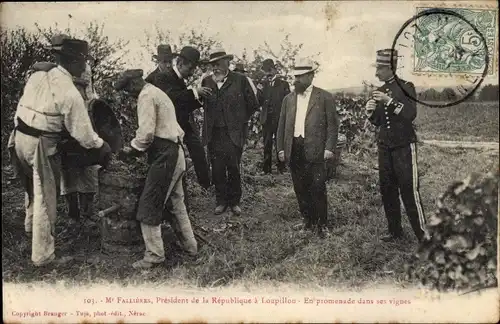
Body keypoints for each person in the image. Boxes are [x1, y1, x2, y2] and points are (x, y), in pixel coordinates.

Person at [8, 38, 111, 267]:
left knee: (31, 188)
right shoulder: (69, 92)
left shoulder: (38, 74)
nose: (85, 67)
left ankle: (29, 230)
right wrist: (102, 146)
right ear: (75, 62)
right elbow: (85, 135)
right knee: (46, 196)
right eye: (83, 62)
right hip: (41, 144)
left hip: (19, 137)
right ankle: (43, 257)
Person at [114, 69, 198, 269]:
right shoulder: (157, 92)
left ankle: (154, 255)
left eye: (128, 90)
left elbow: (146, 134)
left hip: (165, 156)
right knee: (177, 204)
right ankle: (191, 247)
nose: (129, 95)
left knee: (149, 205)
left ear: (134, 83)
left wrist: (132, 150)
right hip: (174, 152)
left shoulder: (146, 96)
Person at [365, 48, 427, 243]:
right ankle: (395, 231)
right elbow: (379, 121)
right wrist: (370, 113)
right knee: (387, 189)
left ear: (391, 68)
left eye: (380, 69)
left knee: (409, 190)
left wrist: (389, 101)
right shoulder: (380, 91)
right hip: (385, 147)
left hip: (403, 146)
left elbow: (410, 114)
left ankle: (423, 236)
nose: (376, 73)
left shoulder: (407, 87)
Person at [276, 59, 339, 238]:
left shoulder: (324, 97)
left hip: (316, 149)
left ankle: (322, 224)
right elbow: (281, 126)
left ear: (311, 76)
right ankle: (307, 221)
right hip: (294, 148)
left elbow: (333, 126)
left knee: (318, 186)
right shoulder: (288, 99)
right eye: (296, 77)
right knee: (300, 186)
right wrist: (281, 148)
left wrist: (329, 148)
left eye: (301, 77)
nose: (297, 80)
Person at [201, 48, 259, 216]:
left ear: (227, 62)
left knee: (233, 167)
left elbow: (253, 104)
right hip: (214, 133)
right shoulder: (207, 82)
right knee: (217, 168)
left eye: (218, 63)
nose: (216, 67)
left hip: (233, 133)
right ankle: (221, 201)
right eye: (213, 65)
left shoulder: (240, 80)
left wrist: (240, 121)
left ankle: (234, 202)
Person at [145, 45, 212, 190]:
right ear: (180, 64)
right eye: (190, 68)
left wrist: (199, 100)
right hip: (169, 126)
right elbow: (172, 98)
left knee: (198, 150)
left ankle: (206, 185)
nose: (192, 72)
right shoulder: (162, 77)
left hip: (183, 122)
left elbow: (183, 103)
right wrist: (195, 92)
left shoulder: (179, 79)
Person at [259, 58, 290, 175]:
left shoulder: (283, 84)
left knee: (279, 143)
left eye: (270, 70)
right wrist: (259, 91)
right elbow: (259, 101)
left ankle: (281, 167)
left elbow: (288, 102)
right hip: (266, 118)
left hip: (279, 119)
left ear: (275, 70)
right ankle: (266, 169)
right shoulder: (262, 85)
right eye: (266, 71)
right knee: (267, 143)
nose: (268, 73)